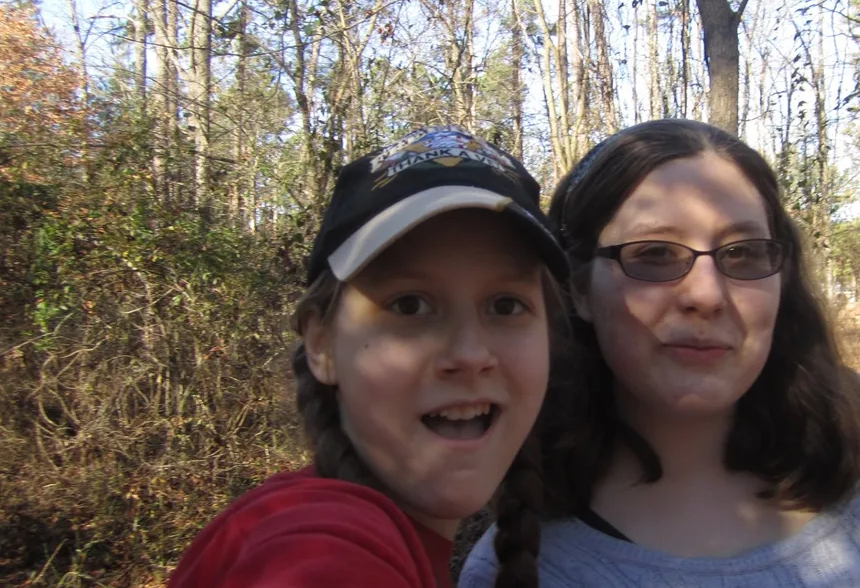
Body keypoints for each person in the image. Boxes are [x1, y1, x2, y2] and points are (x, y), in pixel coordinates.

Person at [462, 119, 860, 586]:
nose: (706, 294)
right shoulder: (523, 565)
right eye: (654, 254)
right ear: (578, 288)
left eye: (744, 254)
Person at [168, 126, 568, 588]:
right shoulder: (319, 549)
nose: (471, 353)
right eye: (409, 305)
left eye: (505, 305)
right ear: (321, 343)